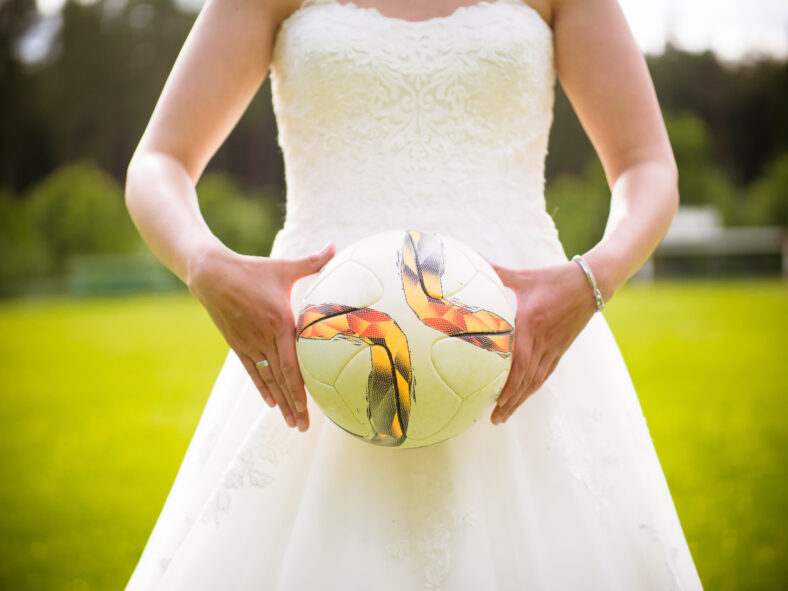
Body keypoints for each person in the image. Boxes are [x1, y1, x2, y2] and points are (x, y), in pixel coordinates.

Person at [124, 0, 704, 588]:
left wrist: (591, 280)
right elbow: (159, 160)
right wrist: (204, 264)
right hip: (323, 342)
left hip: (528, 335)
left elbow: (647, 166)